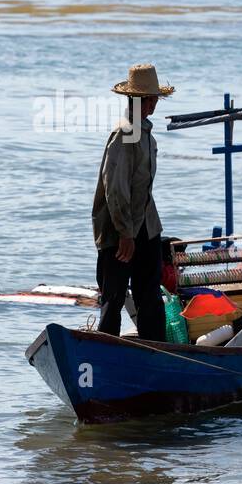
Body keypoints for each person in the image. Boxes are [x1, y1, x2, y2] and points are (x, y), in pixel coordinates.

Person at [91, 63, 174, 340]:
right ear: (142, 100)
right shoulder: (125, 134)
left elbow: (141, 191)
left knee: (149, 296)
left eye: (155, 99)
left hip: (146, 226)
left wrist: (138, 233)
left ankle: (157, 352)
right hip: (119, 231)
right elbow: (114, 190)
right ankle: (107, 354)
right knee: (112, 299)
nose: (154, 104)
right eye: (152, 99)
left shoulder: (145, 133)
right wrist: (126, 234)